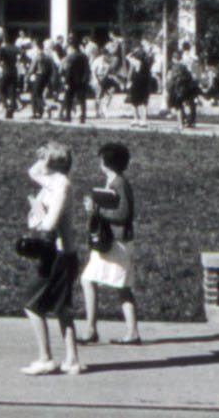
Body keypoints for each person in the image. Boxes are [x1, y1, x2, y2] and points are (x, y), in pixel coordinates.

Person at [20, 141, 84, 376]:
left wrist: (37, 215)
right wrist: (45, 156)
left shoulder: (61, 186)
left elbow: (50, 224)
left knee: (32, 304)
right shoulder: (54, 182)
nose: (40, 163)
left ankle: (45, 357)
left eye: (45, 158)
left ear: (53, 164)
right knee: (62, 308)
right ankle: (72, 360)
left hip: (58, 255)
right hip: (63, 254)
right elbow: (33, 172)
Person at [78, 142, 139, 346]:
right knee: (120, 285)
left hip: (116, 242)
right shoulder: (114, 181)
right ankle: (129, 331)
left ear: (106, 162)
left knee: (92, 280)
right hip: (113, 241)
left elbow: (123, 214)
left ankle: (93, 330)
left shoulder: (119, 183)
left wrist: (96, 210)